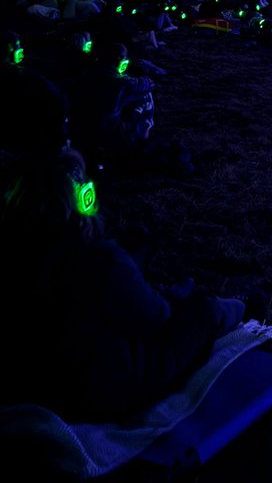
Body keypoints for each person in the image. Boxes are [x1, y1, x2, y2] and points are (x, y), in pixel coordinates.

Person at [0, 149, 244, 420]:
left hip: (40, 386)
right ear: (83, 199)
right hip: (103, 394)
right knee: (203, 311)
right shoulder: (98, 260)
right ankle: (244, 308)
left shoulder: (13, 254)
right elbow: (156, 317)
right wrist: (178, 295)